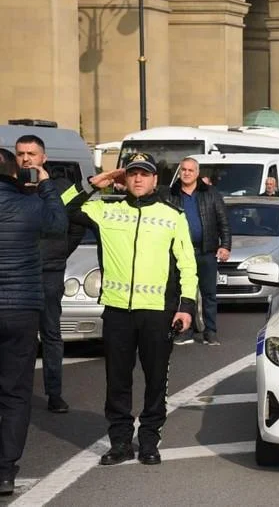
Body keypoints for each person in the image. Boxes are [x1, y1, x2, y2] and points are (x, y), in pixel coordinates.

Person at [61, 153, 197, 466]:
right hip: (117, 311)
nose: (137, 179)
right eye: (132, 174)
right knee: (117, 380)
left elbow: (187, 264)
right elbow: (67, 206)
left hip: (157, 311)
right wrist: (101, 180)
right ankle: (120, 442)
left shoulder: (172, 215)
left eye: (144, 174)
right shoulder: (106, 210)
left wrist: (186, 305)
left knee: (154, 378)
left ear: (154, 180)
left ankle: (149, 440)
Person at [0, 148, 67, 495]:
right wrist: (45, 185)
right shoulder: (30, 206)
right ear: (15, 175)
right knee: (14, 393)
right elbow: (59, 224)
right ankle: (6, 470)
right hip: (21, 309)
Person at [15, 135, 85, 413]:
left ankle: (54, 393)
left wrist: (60, 252)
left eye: (32, 153)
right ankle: (18, 394)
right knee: (19, 335)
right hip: (18, 273)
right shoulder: (10, 188)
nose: (26, 158)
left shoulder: (59, 188)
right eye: (20, 153)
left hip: (49, 272)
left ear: (43, 158)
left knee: (51, 333)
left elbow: (77, 223)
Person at [164, 157, 231, 345]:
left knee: (208, 293)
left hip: (206, 251)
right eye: (183, 169)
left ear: (197, 173)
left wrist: (225, 245)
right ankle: (186, 331)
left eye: (190, 170)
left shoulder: (210, 194)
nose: (186, 173)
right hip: (180, 253)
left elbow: (223, 221)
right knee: (184, 293)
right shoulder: (171, 194)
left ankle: (210, 331)